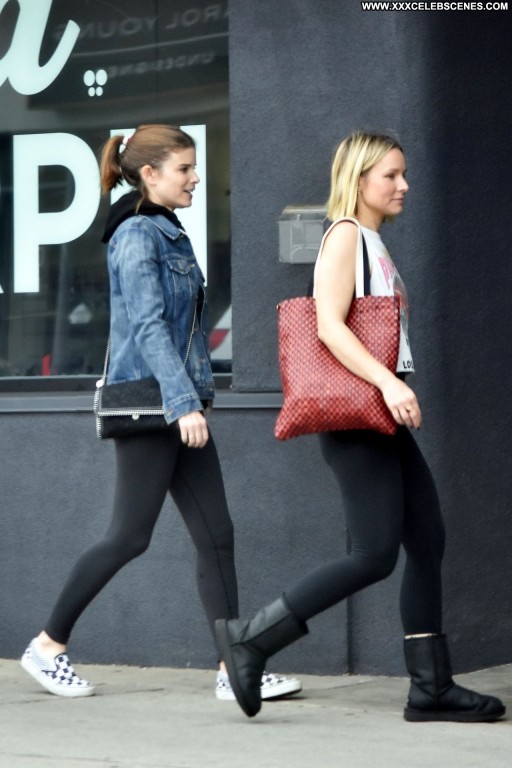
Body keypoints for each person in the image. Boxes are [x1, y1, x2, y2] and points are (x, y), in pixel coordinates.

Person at [215, 131, 506, 722]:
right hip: (357, 415)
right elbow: (328, 324)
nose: (404, 186)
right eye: (391, 175)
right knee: (374, 554)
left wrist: (390, 388)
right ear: (359, 179)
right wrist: (390, 382)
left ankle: (431, 687)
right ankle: (250, 641)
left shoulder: (371, 240)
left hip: (378, 415)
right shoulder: (345, 234)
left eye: (403, 174)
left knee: (427, 540)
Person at [21, 124, 301, 703]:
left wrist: (190, 399)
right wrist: (182, 404)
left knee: (216, 535)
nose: (196, 178)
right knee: (129, 536)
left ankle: (232, 667)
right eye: (185, 168)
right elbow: (148, 327)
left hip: (178, 401)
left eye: (194, 167)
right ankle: (47, 645)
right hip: (153, 404)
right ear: (149, 174)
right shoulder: (136, 235)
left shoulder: (168, 230)